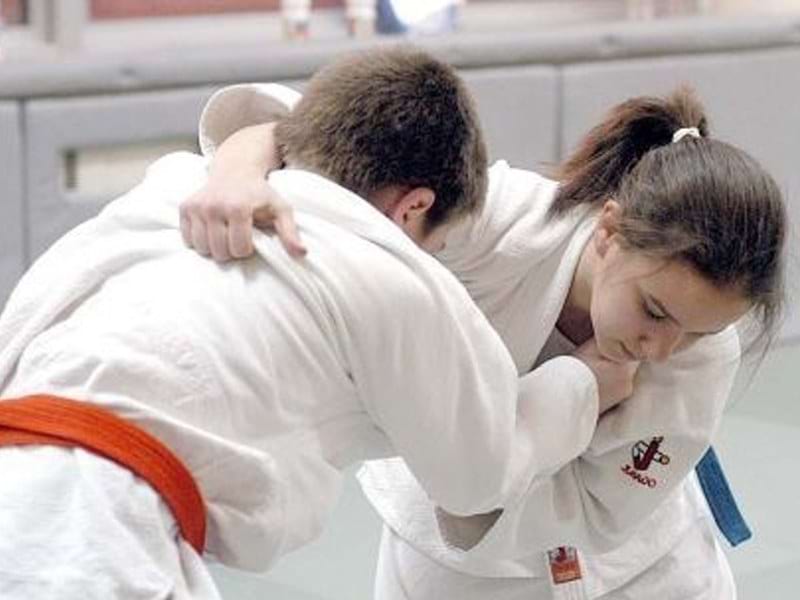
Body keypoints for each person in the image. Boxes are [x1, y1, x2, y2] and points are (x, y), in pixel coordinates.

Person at [0, 46, 636, 599]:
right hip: (91, 540)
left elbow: (273, 121)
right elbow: (478, 475)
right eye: (434, 242)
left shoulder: (176, 191)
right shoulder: (392, 272)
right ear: (415, 206)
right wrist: (583, 383)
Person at [181, 84, 786, 599]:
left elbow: (597, 514)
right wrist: (236, 174)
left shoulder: (706, 353)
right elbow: (305, 133)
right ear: (607, 230)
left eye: (696, 331)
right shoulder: (501, 224)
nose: (661, 347)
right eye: (653, 310)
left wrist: (499, 448)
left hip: (645, 571)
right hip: (451, 566)